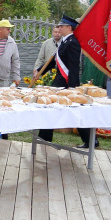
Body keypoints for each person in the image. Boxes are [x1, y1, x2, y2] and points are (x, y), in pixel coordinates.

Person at [36, 15, 93, 148]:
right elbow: (54, 62)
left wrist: (73, 87)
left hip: (66, 83)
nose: (59, 28)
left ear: (69, 27)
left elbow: (74, 67)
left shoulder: (72, 42)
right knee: (50, 108)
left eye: (62, 26)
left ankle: (90, 140)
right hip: (60, 82)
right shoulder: (64, 41)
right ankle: (44, 137)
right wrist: (39, 71)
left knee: (69, 111)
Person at [0, 19, 21, 88]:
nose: (9, 31)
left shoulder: (11, 42)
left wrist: (16, 76)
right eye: (7, 29)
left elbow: (15, 60)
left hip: (3, 79)